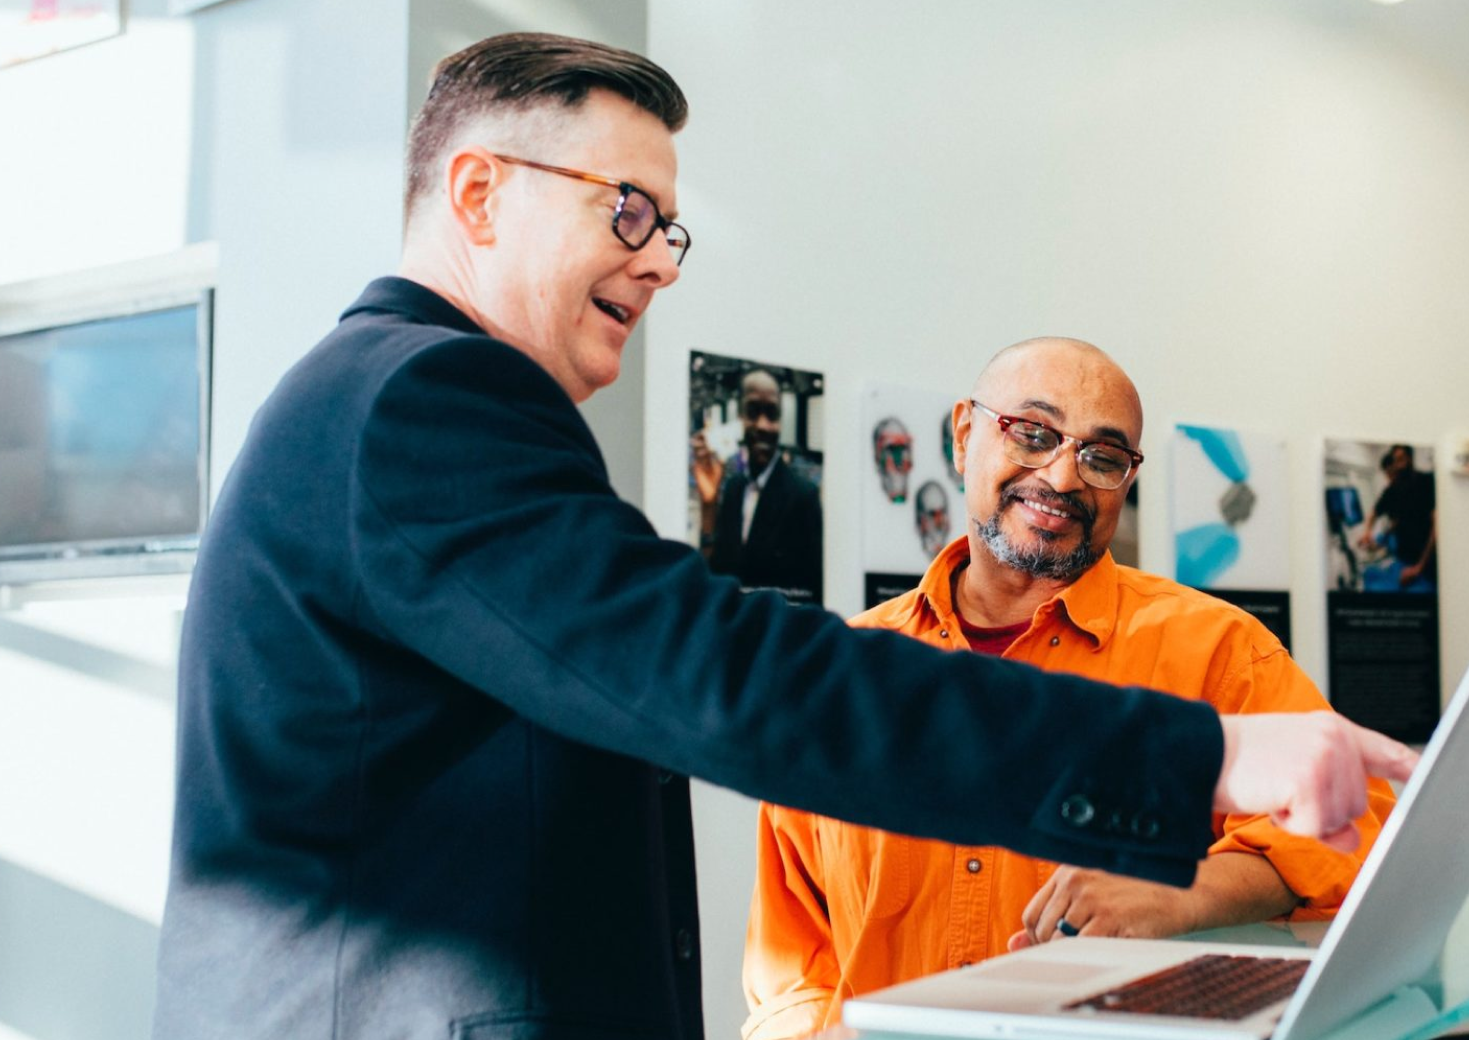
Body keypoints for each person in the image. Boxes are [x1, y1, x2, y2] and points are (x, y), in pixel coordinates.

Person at [152, 35, 1416, 1040]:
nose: (660, 263)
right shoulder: (424, 401)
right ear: (478, 192)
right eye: (628, 211)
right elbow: (727, 675)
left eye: (670, 226)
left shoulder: (388, 403)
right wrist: (1199, 757)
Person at [742, 338, 1399, 1039]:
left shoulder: (1217, 650)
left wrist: (1186, 892)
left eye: (1103, 456)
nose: (1061, 477)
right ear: (965, 436)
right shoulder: (847, 673)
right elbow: (792, 967)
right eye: (1033, 433)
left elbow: (1363, 825)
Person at [691, 368, 824, 603]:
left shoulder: (803, 496)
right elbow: (715, 576)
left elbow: (811, 595)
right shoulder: (733, 488)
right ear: (740, 417)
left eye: (771, 414)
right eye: (753, 412)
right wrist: (708, 506)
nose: (762, 425)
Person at [1359, 443, 1437, 591]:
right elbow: (1375, 512)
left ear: (1410, 458)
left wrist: (1419, 568)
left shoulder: (1426, 481)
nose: (1398, 466)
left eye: (1402, 459)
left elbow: (1437, 527)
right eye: (1396, 460)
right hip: (1403, 560)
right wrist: (1367, 532)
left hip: (1425, 565)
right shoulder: (1393, 489)